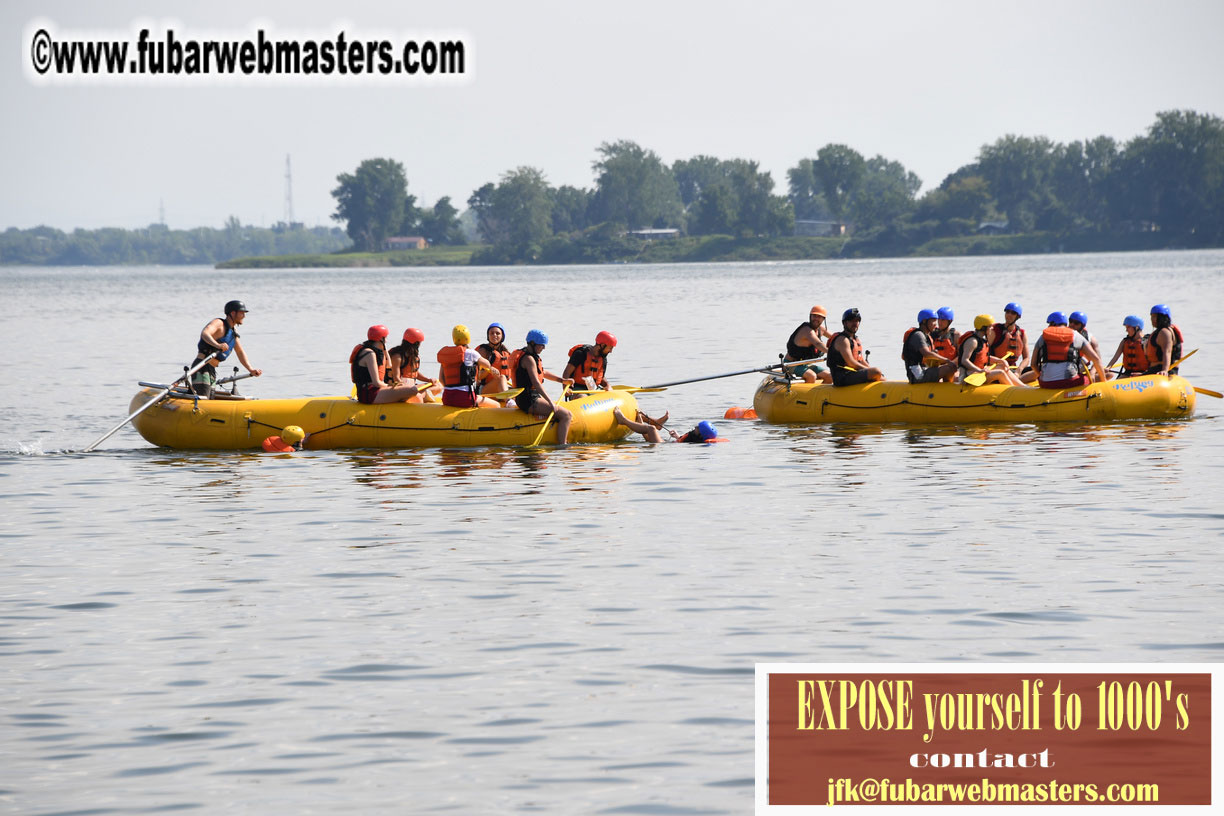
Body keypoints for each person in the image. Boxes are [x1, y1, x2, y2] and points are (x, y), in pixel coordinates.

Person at [511, 329, 574, 444]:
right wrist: (550, 402)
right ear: (533, 344)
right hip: (528, 399)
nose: (543, 348)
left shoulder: (532, 356)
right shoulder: (528, 359)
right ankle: (562, 446)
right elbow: (536, 382)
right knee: (566, 415)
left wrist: (562, 380)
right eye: (541, 345)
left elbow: (542, 373)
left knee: (564, 413)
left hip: (530, 397)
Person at [190, 299, 262, 398]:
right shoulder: (219, 323)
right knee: (204, 400)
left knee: (210, 399)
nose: (244, 316)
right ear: (233, 313)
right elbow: (205, 333)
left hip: (211, 370)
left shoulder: (233, 332)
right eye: (242, 313)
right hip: (202, 367)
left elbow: (240, 352)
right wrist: (217, 345)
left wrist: (251, 369)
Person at [352, 325, 427, 405]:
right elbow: (376, 383)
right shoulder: (369, 354)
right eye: (385, 338)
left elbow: (389, 365)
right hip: (369, 394)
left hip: (374, 391)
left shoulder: (375, 351)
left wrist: (384, 348)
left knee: (409, 389)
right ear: (381, 339)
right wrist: (391, 386)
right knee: (413, 390)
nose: (386, 341)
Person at [1030, 312, 1106, 388]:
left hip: (1045, 383)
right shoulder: (1075, 335)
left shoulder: (1043, 336)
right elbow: (1096, 359)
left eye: (1049, 324)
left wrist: (1042, 377)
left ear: (1053, 324)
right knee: (1085, 378)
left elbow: (1033, 364)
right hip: (1068, 382)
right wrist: (1104, 382)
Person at [437, 325, 501, 408]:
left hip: (447, 398)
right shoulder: (471, 353)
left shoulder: (446, 355)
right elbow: (487, 364)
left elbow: (442, 380)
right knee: (497, 405)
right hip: (466, 398)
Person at [957, 314, 1026, 386]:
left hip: (979, 372)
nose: (992, 329)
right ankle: (1013, 391)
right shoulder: (972, 342)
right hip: (969, 375)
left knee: (1003, 367)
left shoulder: (981, 340)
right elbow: (964, 361)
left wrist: (1000, 360)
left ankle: (1023, 387)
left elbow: (983, 357)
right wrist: (979, 370)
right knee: (1000, 373)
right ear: (983, 328)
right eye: (990, 326)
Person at [826, 308, 884, 386]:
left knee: (880, 376)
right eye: (851, 321)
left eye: (857, 321)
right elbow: (851, 363)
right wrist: (870, 371)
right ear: (844, 323)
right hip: (842, 378)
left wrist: (875, 373)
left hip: (852, 374)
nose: (855, 323)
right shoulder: (842, 340)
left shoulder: (855, 339)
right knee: (876, 371)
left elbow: (861, 360)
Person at [902, 309, 958, 383]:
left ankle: (945, 386)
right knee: (950, 368)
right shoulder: (918, 335)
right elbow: (927, 354)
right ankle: (947, 389)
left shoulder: (927, 336)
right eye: (933, 321)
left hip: (924, 370)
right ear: (924, 321)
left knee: (950, 367)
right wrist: (947, 360)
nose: (936, 324)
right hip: (917, 375)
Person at [386, 328, 440, 402]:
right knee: (418, 398)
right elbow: (396, 379)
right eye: (420, 342)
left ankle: (423, 394)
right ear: (416, 343)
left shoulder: (412, 355)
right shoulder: (397, 357)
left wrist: (428, 380)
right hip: (398, 389)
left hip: (412, 388)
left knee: (438, 386)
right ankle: (422, 396)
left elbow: (414, 373)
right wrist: (408, 390)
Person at [612, 407, 722, 444]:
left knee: (651, 429)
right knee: (650, 432)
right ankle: (642, 421)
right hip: (664, 444)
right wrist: (678, 437)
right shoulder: (694, 438)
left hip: (662, 446)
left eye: (698, 429)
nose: (695, 428)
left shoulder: (695, 442)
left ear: (701, 435)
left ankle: (623, 420)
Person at [783, 305, 833, 383]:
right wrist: (833, 352)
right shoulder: (806, 330)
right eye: (814, 316)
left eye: (819, 317)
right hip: (790, 364)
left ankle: (820, 395)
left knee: (829, 376)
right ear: (810, 316)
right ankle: (807, 395)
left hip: (805, 364)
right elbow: (818, 343)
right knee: (811, 376)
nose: (816, 318)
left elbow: (836, 338)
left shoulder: (821, 329)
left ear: (823, 319)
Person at [563, 331, 617, 396]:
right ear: (602, 345)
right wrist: (566, 389)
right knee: (582, 396)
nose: (611, 351)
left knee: (611, 395)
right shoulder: (580, 353)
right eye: (610, 348)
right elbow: (567, 372)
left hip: (594, 389)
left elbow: (601, 377)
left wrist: (607, 385)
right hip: (577, 389)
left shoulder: (603, 358)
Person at [987, 302, 1030, 373]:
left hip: (1013, 368)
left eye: (1013, 313)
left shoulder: (1022, 333)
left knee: (1036, 370)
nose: (1009, 315)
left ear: (1018, 316)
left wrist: (1019, 369)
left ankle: (1018, 378)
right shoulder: (995, 330)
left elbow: (1027, 358)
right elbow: (984, 353)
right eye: (1007, 312)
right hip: (995, 368)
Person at [475, 322, 513, 397]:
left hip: (499, 388)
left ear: (502, 336)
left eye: (497, 333)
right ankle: (508, 400)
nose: (494, 335)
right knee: (502, 377)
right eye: (491, 333)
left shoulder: (506, 353)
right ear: (488, 336)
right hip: (483, 390)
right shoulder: (483, 351)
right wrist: (488, 369)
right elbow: (477, 376)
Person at [1145, 304, 1185, 375]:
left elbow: (1167, 352)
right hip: (1153, 370)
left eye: (1154, 317)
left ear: (1162, 318)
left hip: (1161, 371)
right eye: (1151, 316)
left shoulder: (1164, 332)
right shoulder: (1162, 331)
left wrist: (1165, 370)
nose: (1152, 319)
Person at [1068, 311, 1103, 381]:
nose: (1072, 325)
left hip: (1081, 367)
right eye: (1070, 321)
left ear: (1083, 326)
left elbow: (1098, 360)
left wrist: (1092, 373)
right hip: (1068, 369)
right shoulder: (1063, 335)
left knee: (1109, 374)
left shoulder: (1091, 339)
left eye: (1076, 323)